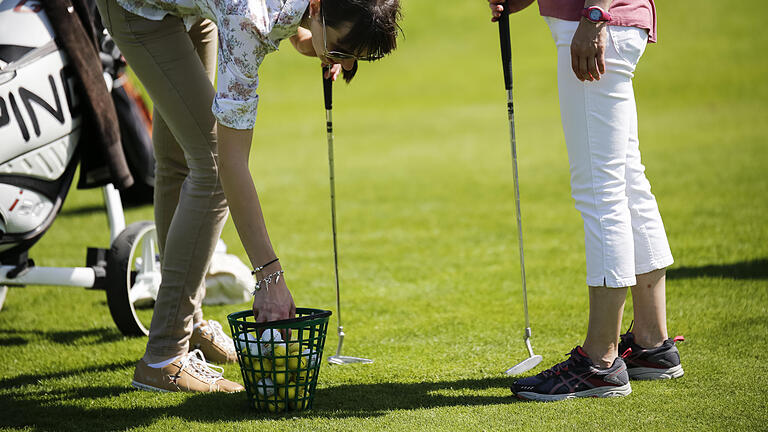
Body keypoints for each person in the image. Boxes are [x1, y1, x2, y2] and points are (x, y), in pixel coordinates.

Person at [94, 0, 401, 393]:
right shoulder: (249, 25)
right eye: (342, 51)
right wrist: (270, 277)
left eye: (354, 58)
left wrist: (313, 42)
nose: (346, 65)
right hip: (136, 6)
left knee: (181, 158)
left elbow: (291, 16)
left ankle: (186, 323)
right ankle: (164, 357)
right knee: (211, 167)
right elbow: (230, 165)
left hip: (192, 8)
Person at [488, 0, 683, 401]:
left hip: (596, 26)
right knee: (627, 184)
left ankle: (600, 361)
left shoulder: (594, 21)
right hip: (610, 26)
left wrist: (594, 15)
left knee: (601, 192)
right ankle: (651, 343)